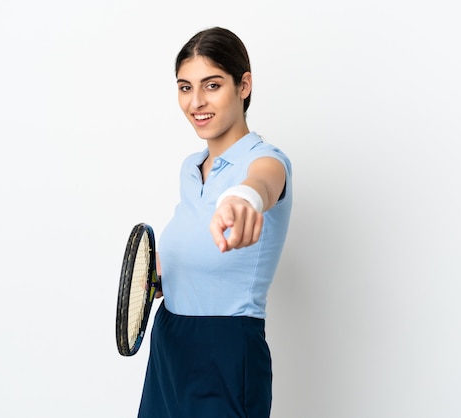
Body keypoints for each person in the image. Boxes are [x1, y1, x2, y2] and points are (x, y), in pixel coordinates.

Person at [137, 26, 293, 418]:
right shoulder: (191, 169)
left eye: (212, 85)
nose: (196, 102)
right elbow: (190, 257)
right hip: (169, 342)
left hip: (225, 348)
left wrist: (245, 197)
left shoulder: (266, 159)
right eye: (185, 87)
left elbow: (264, 181)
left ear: (244, 86)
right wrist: (160, 277)